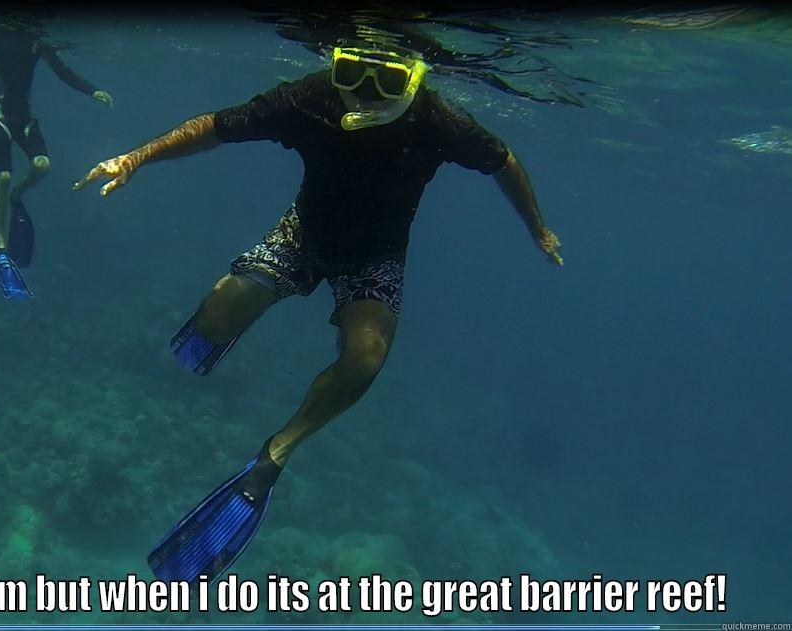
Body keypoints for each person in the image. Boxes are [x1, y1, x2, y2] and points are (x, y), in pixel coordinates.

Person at [74, 46, 562, 584]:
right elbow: (215, 126)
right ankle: (211, 335)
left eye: (387, 80)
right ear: (337, 64)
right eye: (353, 74)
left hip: (374, 259)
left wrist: (536, 227)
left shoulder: (438, 119)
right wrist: (136, 157)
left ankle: (273, 457)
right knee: (217, 318)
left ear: (413, 77)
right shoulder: (310, 96)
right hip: (302, 237)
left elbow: (503, 159)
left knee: (366, 357)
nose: (364, 95)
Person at [0, 24, 113, 298]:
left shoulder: (37, 40)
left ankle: (17, 196)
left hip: (24, 117)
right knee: (3, 175)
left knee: (42, 165)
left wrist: (92, 91)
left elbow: (62, 71)